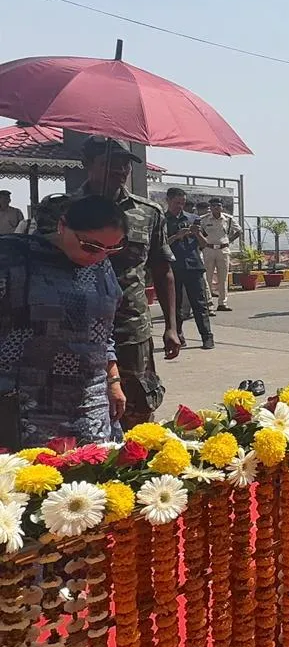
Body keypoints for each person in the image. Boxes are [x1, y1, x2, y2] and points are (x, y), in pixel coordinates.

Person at [0, 195, 128, 449]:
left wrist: (113, 380)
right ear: (62, 226)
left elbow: (103, 331)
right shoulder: (12, 256)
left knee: (92, 473)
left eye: (112, 249)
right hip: (23, 399)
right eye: (91, 246)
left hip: (89, 396)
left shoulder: (100, 266)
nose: (100, 256)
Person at [74, 136, 180, 428]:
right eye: (111, 164)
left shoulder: (148, 213)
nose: (120, 171)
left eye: (125, 165)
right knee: (82, 405)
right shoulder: (62, 210)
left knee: (139, 408)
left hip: (131, 326)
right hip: (76, 326)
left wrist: (171, 327)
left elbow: (162, 270)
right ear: (88, 165)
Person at [164, 188, 215, 349]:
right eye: (177, 202)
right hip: (174, 267)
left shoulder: (193, 219)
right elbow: (160, 245)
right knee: (176, 305)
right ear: (168, 201)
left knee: (199, 304)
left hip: (194, 266)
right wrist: (177, 236)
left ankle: (207, 337)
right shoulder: (162, 220)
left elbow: (204, 244)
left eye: (182, 203)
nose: (180, 206)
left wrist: (197, 234)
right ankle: (178, 336)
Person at [199, 198, 241, 313]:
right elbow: (199, 232)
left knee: (223, 278)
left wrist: (229, 240)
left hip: (223, 250)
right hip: (209, 249)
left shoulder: (228, 219)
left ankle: (222, 303)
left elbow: (238, 231)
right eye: (213, 206)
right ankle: (208, 305)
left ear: (222, 207)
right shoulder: (204, 219)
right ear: (210, 207)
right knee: (207, 278)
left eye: (218, 205)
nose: (216, 207)